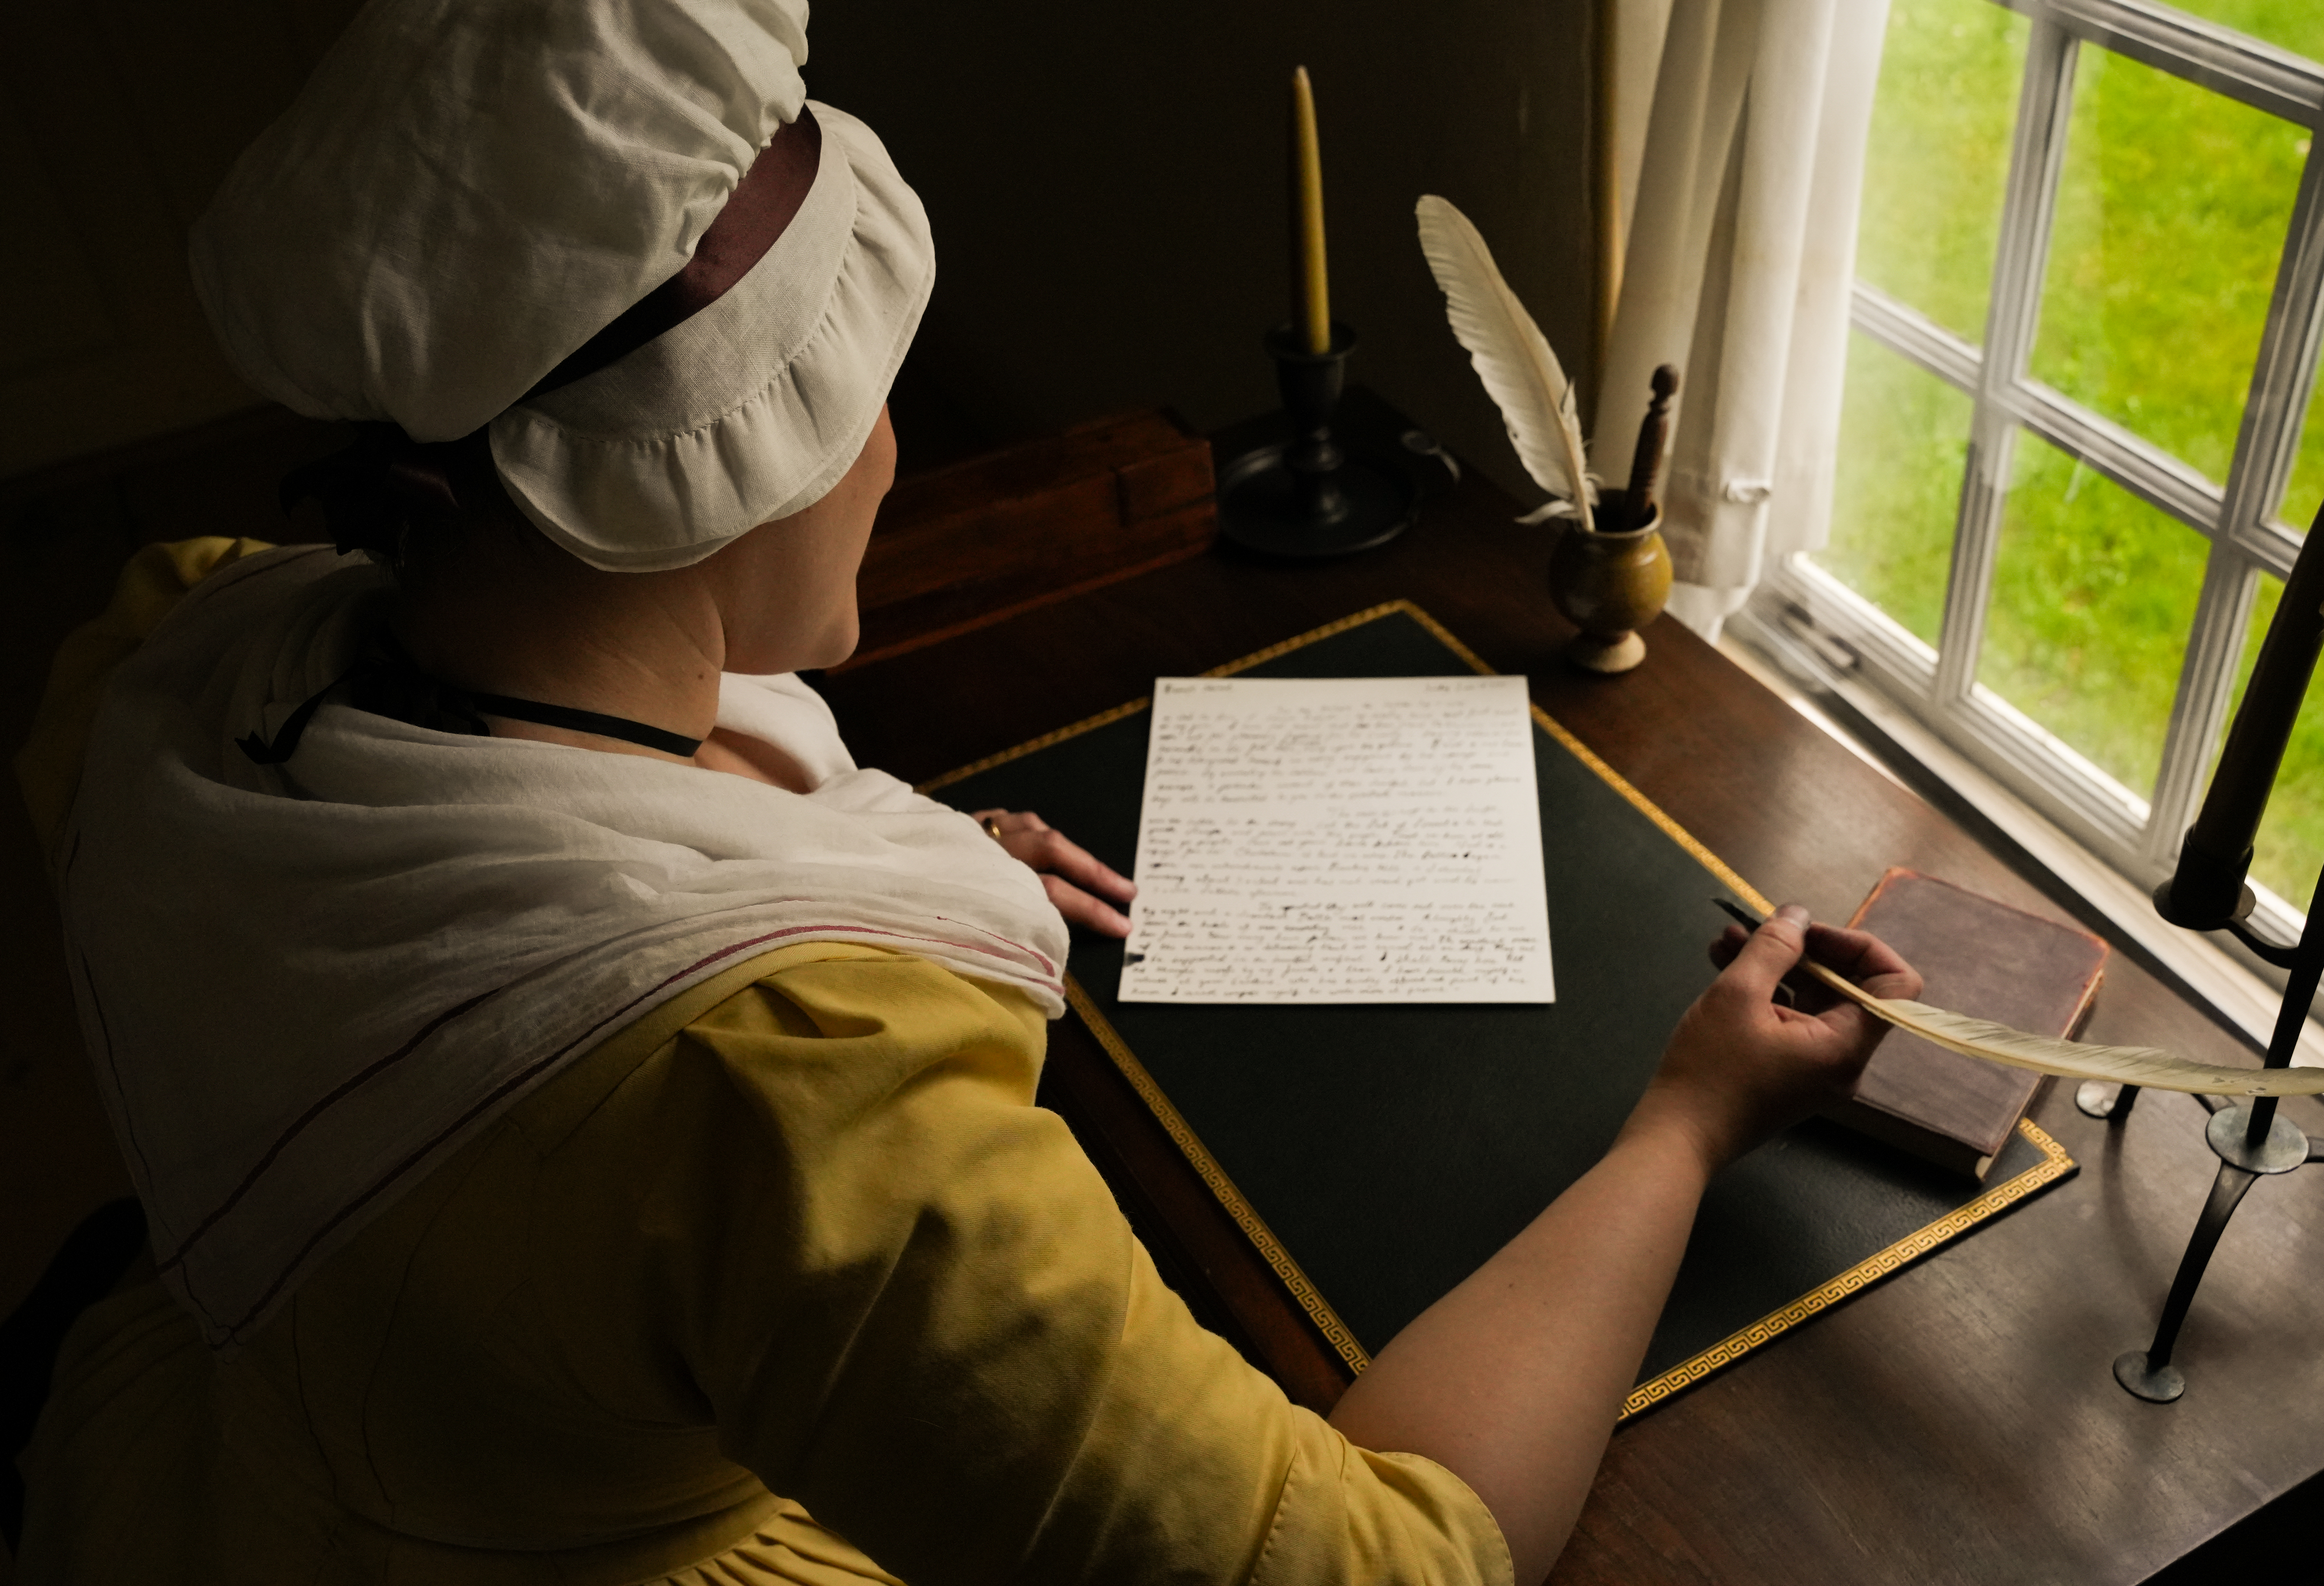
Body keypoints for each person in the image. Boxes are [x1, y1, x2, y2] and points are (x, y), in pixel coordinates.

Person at [11, 3, 1918, 1583]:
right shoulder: (787, 1095)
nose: (889, 445)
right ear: (711, 467)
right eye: (866, 395)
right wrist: (1684, 1121)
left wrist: (843, 835)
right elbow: (1382, 1566)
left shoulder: (166, 653)